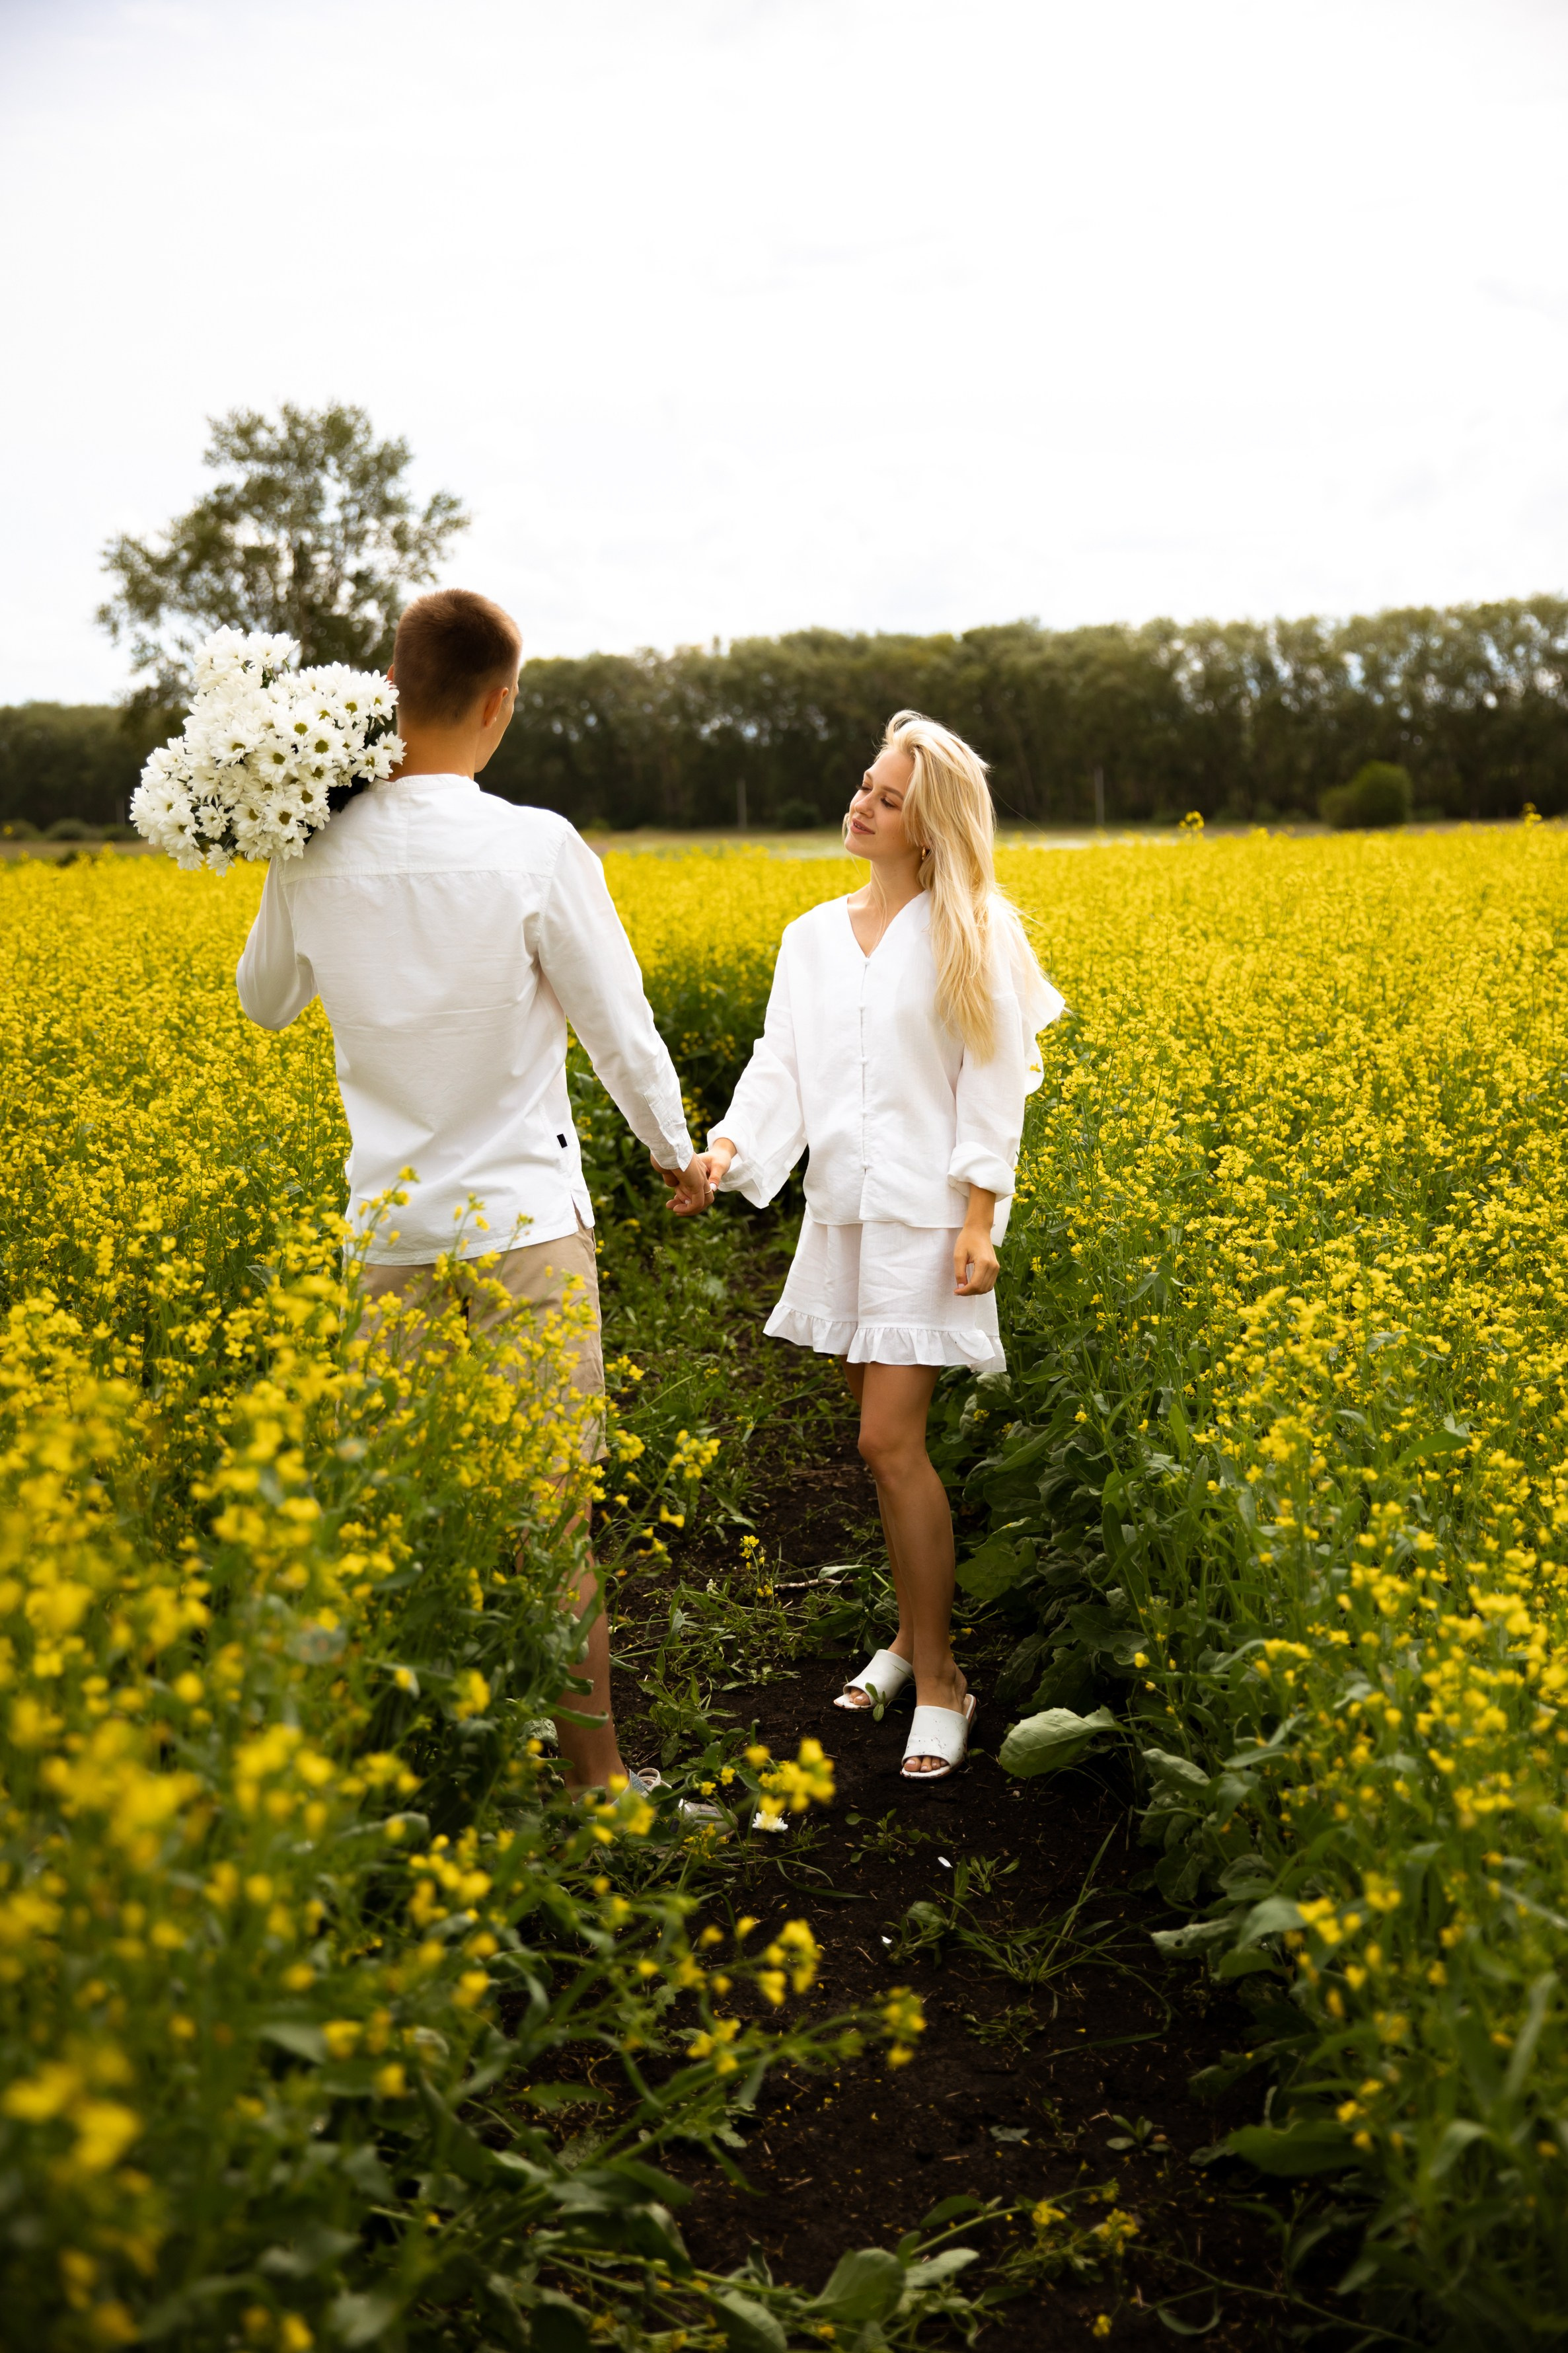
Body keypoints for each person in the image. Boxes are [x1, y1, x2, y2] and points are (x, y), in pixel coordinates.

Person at [235, 586, 713, 1797]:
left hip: (387, 1234)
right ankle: (596, 1781)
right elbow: (619, 1026)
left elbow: (267, 1000)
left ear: (389, 694)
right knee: (555, 1520)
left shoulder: (314, 847)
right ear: (500, 702)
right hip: (523, 1230)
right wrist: (674, 1150)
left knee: (387, 1514)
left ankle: (398, 1776)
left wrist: (300, 842)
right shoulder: (534, 844)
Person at [697, 711, 1063, 1781]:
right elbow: (781, 1066)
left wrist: (980, 1219)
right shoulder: (809, 935)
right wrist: (726, 1150)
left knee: (884, 1446)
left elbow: (993, 1083)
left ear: (930, 823)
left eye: (888, 797)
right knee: (882, 1443)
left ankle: (943, 1676)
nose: (861, 803)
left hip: (927, 1217)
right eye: (864, 784)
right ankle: (908, 1638)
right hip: (842, 1212)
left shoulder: (975, 930)